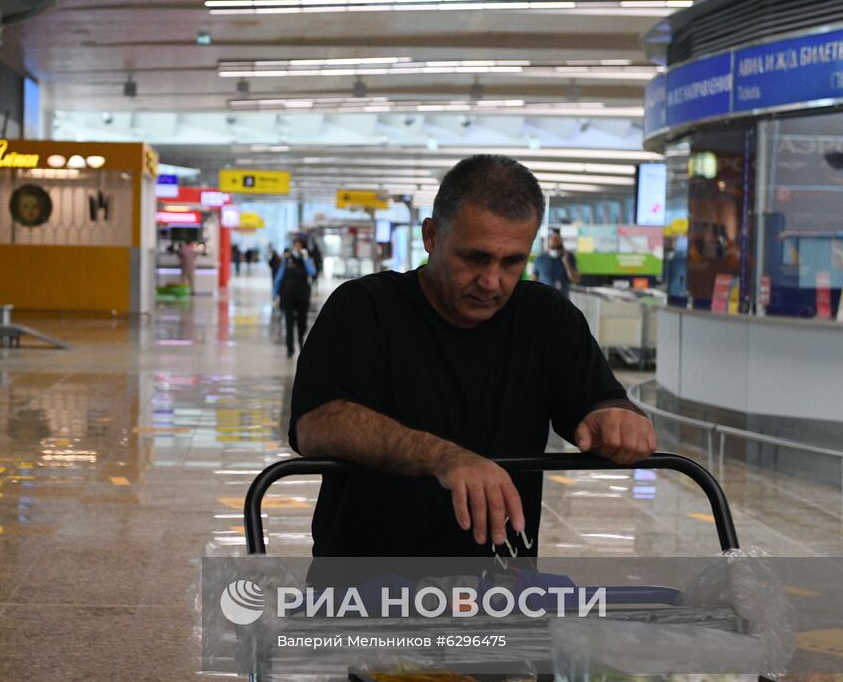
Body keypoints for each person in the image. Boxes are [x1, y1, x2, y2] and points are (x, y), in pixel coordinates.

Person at [289, 154, 656, 557]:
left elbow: (596, 402)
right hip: (362, 588)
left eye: (512, 261)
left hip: (500, 589)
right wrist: (445, 458)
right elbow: (317, 424)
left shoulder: (547, 317)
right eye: (475, 257)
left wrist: (616, 418)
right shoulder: (365, 308)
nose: (491, 281)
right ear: (431, 237)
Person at [274, 240, 317, 358]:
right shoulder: (286, 260)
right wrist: (275, 293)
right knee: (288, 323)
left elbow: (312, 272)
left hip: (302, 296)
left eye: (299, 246)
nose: (297, 248)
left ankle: (301, 343)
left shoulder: (308, 260)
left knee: (302, 322)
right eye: (295, 246)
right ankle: (290, 349)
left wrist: (304, 258)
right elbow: (279, 277)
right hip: (288, 296)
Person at [531, 229, 580, 295]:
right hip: (544, 300)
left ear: (562, 246)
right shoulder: (540, 259)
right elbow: (533, 281)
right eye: (553, 247)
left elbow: (576, 279)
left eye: (558, 247)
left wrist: (567, 263)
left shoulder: (569, 257)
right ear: (548, 246)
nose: (556, 250)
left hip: (563, 300)